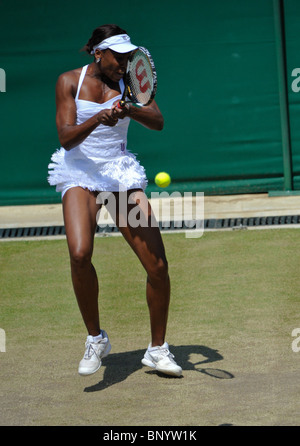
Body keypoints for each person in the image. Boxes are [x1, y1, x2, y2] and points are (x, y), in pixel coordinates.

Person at [48, 24, 182, 377]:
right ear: (98, 54)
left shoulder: (131, 83)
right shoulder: (68, 82)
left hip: (119, 177)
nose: (125, 63)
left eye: (128, 56)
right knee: (79, 253)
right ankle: (96, 338)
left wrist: (129, 109)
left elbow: (158, 121)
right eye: (118, 57)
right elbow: (66, 138)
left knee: (157, 266)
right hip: (80, 173)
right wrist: (98, 117)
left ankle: (157, 349)